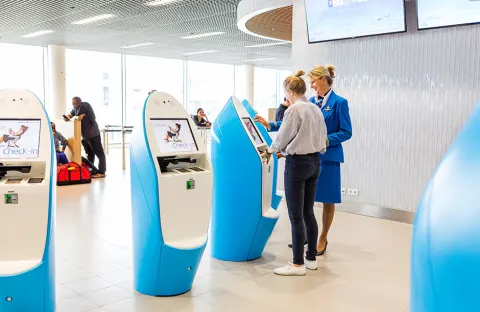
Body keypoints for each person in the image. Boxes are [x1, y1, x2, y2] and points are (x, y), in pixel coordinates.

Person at [255, 65, 352, 256]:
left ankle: (322, 237)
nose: (312, 86)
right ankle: (307, 237)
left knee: (326, 200)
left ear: (324, 79)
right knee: (307, 204)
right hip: (311, 157)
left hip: (328, 157)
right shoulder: (311, 103)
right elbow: (294, 123)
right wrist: (271, 124)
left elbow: (346, 131)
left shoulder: (340, 103)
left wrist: (324, 140)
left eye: (313, 82)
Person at [263, 70, 327, 276]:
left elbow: (282, 138)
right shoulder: (315, 108)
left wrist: (270, 150)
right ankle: (311, 259)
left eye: (285, 94)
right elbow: (323, 137)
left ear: (290, 91)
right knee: (309, 212)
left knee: (296, 216)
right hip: (315, 162)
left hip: (297, 165)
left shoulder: (294, 110)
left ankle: (297, 264)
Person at [64, 97, 106, 178]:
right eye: (72, 104)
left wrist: (73, 117)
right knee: (90, 154)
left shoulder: (84, 105)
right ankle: (91, 170)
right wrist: (67, 117)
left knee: (99, 153)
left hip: (93, 134)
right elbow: (70, 115)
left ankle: (101, 172)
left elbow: (80, 117)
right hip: (85, 136)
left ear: (80, 102)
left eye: (75, 104)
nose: (74, 105)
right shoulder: (76, 108)